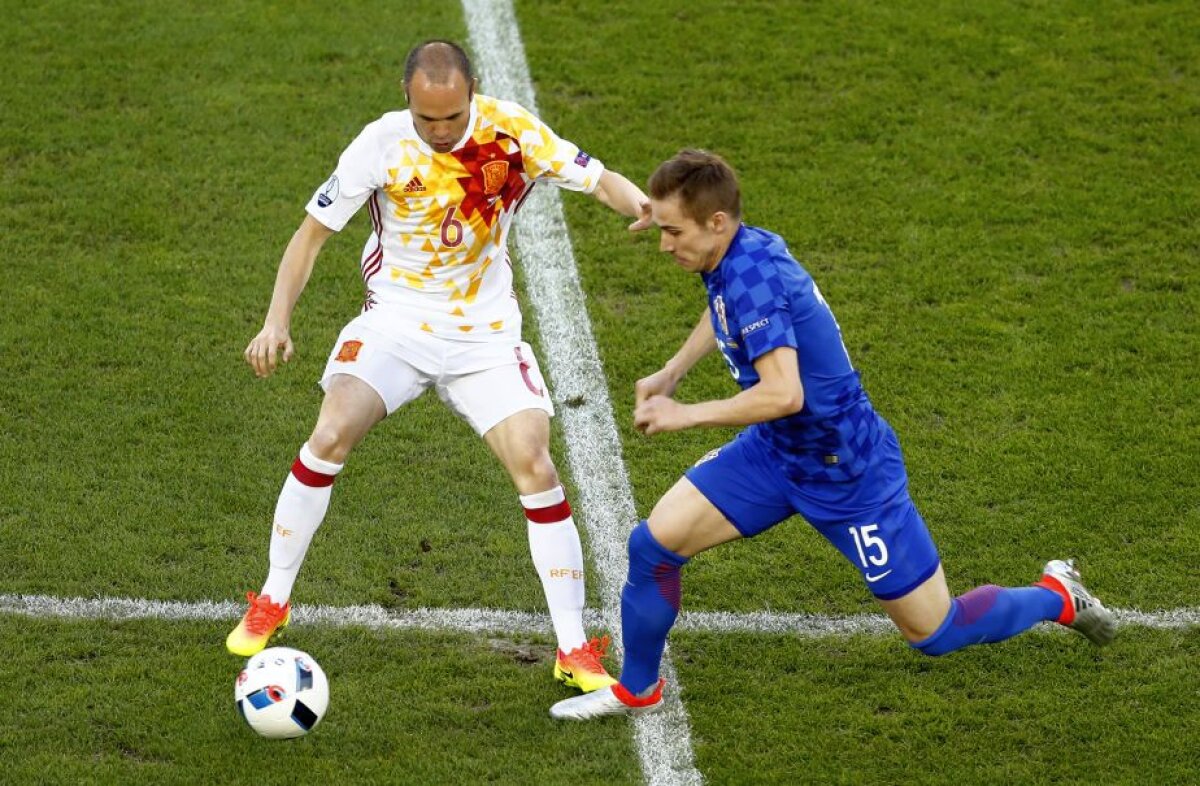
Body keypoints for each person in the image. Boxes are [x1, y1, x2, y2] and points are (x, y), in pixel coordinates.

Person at [550, 149, 1116, 719]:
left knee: (935, 632)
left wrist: (685, 412)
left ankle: (1056, 598)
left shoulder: (752, 277)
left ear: (715, 222)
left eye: (673, 230)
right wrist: (673, 371)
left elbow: (784, 394)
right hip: (775, 454)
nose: (663, 243)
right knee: (653, 547)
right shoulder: (739, 252)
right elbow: (723, 306)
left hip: (848, 471)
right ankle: (638, 689)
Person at [227, 40, 651, 695]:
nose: (442, 132)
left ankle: (573, 648)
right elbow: (310, 235)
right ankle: (273, 599)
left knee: (535, 463)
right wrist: (276, 319)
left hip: (484, 335)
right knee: (331, 430)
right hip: (396, 322)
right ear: (409, 102)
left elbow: (598, 178)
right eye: (429, 120)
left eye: (452, 118)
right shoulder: (381, 145)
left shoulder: (512, 133)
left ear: (471, 94)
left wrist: (641, 206)